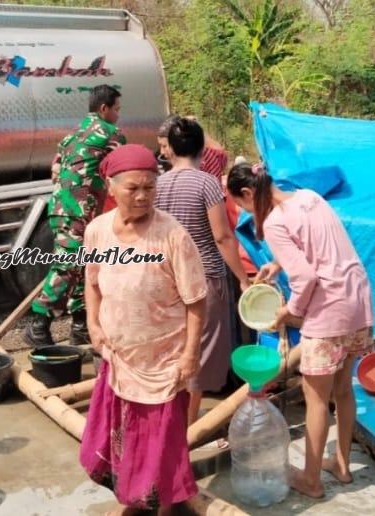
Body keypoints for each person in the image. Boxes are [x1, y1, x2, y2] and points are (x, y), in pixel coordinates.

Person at [227, 162, 375, 499]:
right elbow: (317, 243)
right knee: (343, 390)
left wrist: (288, 312)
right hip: (358, 300)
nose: (249, 213)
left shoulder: (275, 222)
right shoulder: (309, 197)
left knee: (316, 399)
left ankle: (311, 480)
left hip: (328, 312)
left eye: (243, 206)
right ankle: (341, 464)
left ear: (249, 193)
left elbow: (306, 278)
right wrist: (278, 263)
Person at [80, 144, 206, 515]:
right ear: (111, 186)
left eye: (149, 188)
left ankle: (164, 504)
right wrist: (93, 322)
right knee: (124, 436)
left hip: (164, 361)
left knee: (163, 442)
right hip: (120, 358)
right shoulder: (97, 231)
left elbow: (196, 301)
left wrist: (190, 355)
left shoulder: (172, 235)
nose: (141, 196)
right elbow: (92, 283)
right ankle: (134, 498)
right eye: (132, 188)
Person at [154, 117, 250, 427]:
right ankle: (188, 428)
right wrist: (244, 279)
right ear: (201, 147)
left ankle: (170, 419)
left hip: (168, 278)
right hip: (204, 277)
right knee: (198, 352)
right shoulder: (207, 183)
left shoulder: (158, 184)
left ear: (170, 149)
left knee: (175, 348)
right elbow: (222, 237)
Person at [25, 85, 126, 348]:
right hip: (79, 211)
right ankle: (38, 323)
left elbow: (55, 171)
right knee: (69, 265)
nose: (118, 115)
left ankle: (81, 324)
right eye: (116, 109)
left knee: (84, 266)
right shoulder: (111, 134)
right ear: (103, 109)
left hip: (60, 209)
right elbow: (125, 170)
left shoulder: (69, 138)